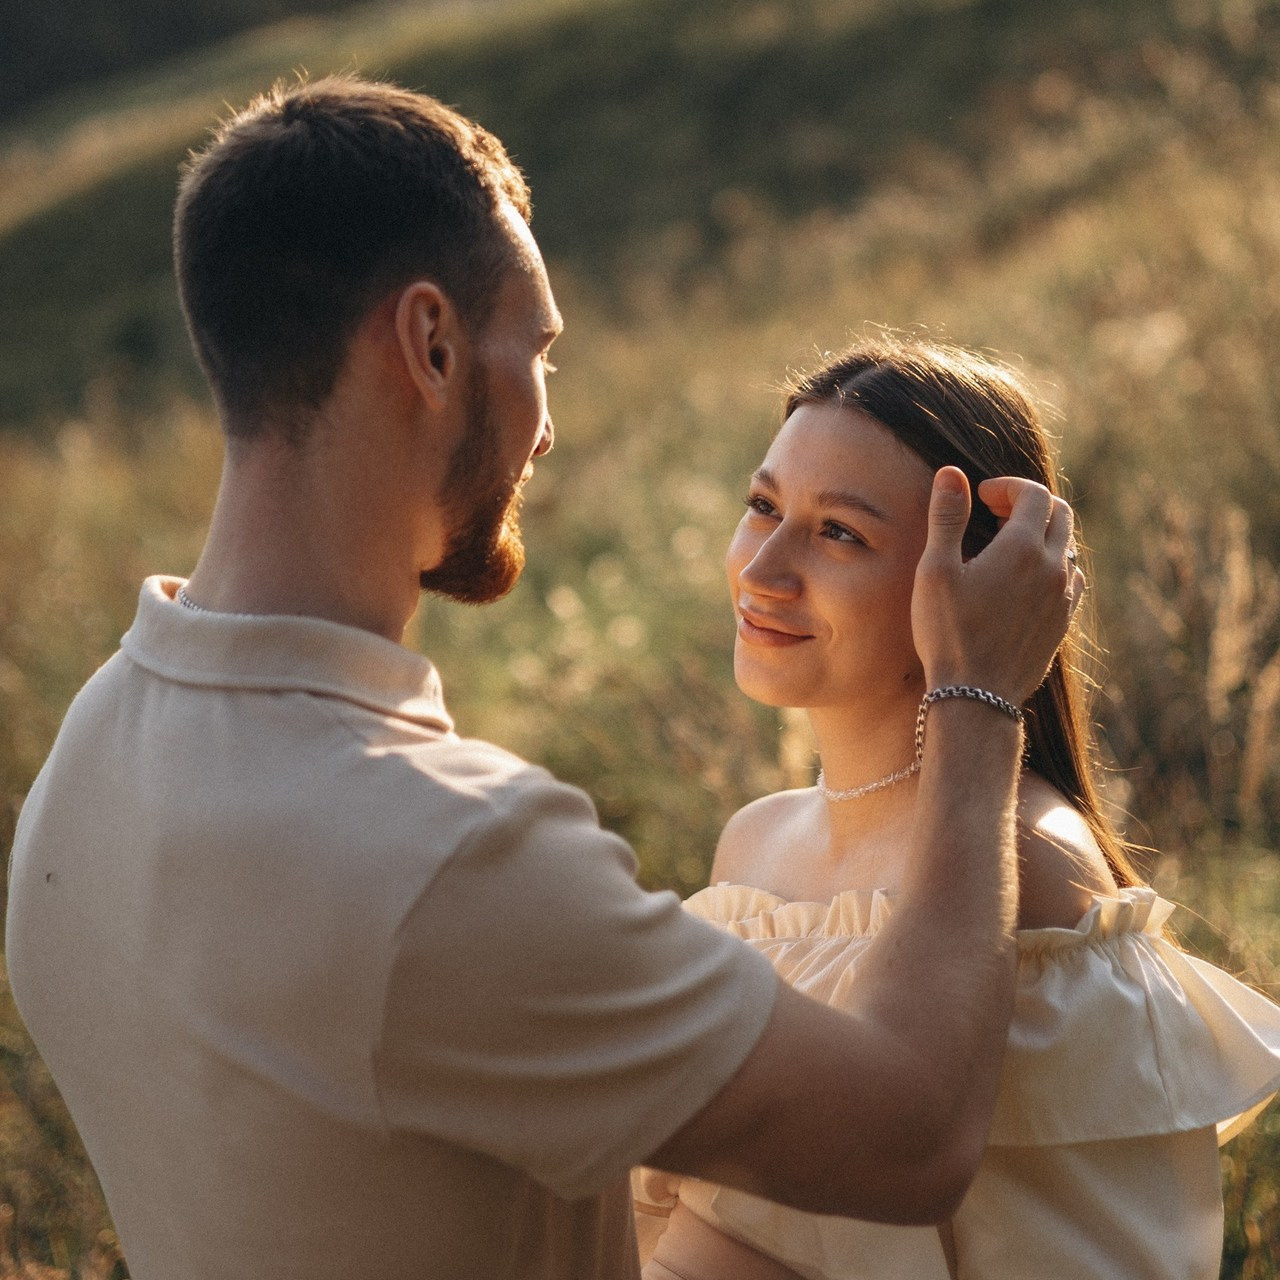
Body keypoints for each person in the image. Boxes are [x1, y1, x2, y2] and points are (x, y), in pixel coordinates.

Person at [6, 79, 1083, 1280]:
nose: (545, 426)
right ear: (428, 344)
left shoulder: (88, 753)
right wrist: (979, 697)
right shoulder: (451, 856)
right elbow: (914, 1136)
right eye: (540, 352)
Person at [633, 335, 1280, 1280]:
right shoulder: (752, 846)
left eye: (839, 533)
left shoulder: (1027, 860)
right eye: (763, 506)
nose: (763, 570)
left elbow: (1091, 1254)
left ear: (977, 581)